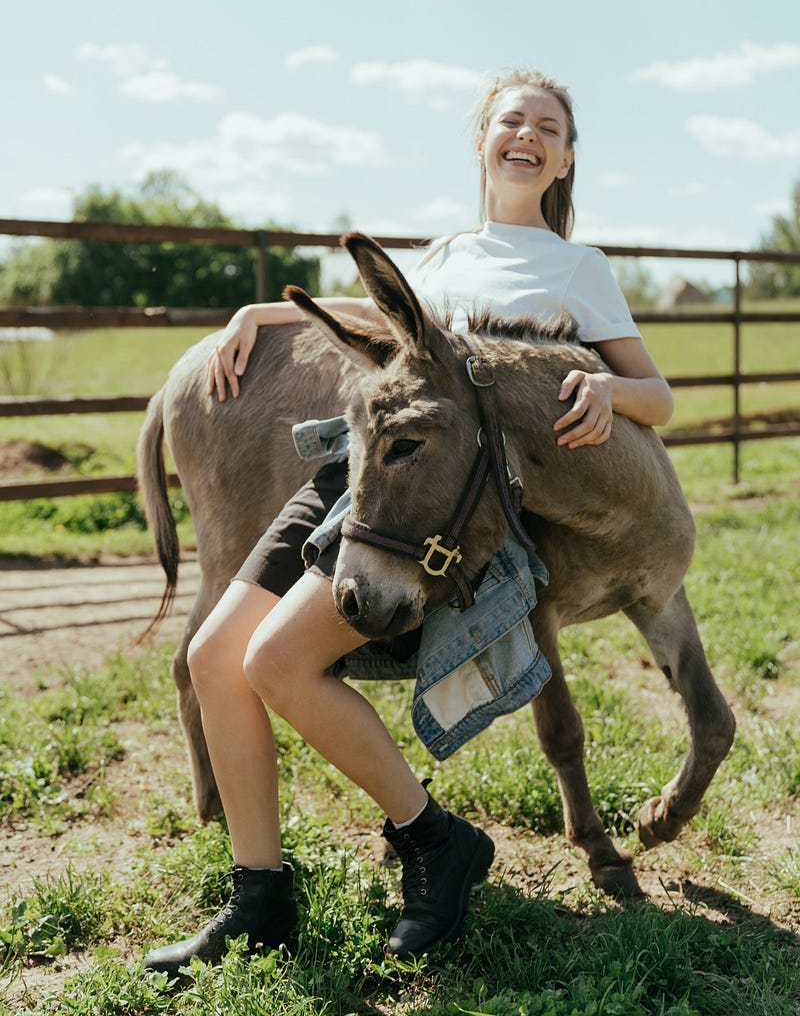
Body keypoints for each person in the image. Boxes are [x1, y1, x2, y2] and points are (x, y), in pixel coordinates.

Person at [144, 69, 673, 979]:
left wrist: (607, 388)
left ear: (567, 156)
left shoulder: (576, 268)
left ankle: (434, 842)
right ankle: (260, 894)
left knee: (273, 660)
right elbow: (381, 320)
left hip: (440, 498)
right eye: (511, 119)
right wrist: (259, 313)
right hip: (358, 465)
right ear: (481, 140)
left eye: (548, 126)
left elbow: (657, 395)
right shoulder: (439, 254)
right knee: (209, 659)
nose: (527, 134)